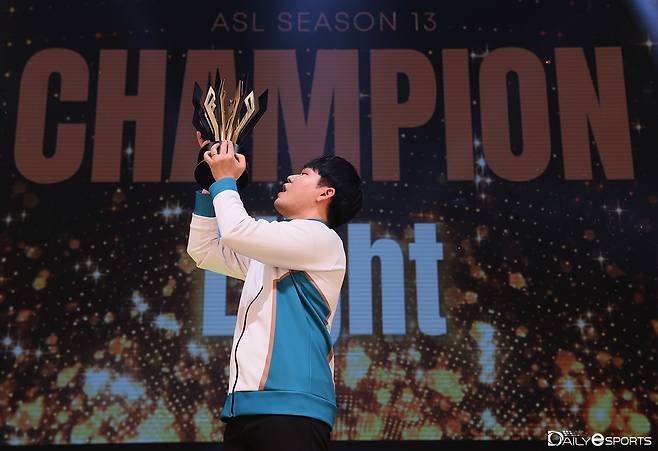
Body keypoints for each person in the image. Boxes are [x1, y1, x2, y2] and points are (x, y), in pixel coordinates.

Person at [186, 133, 362, 451]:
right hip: (247, 405)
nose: (291, 177)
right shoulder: (279, 245)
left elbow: (237, 231)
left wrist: (225, 180)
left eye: (304, 174)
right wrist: (210, 184)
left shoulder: (322, 239)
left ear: (326, 192)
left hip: (292, 408)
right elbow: (205, 250)